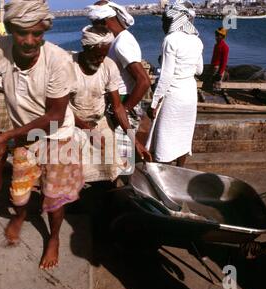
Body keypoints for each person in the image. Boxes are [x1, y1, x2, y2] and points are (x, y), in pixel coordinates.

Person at [0, 0, 84, 269]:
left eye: (37, 33)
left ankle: (53, 237)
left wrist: (8, 135)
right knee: (19, 192)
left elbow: (55, 117)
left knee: (54, 196)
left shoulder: (58, 60)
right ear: (10, 28)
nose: (30, 41)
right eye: (22, 32)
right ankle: (20, 216)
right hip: (24, 133)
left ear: (45, 31)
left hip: (58, 133)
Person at [70, 25, 151, 182]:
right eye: (96, 56)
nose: (100, 60)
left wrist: (135, 142)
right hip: (73, 122)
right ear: (85, 48)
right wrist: (88, 130)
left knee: (112, 167)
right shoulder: (68, 66)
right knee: (72, 172)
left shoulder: (108, 66)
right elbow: (61, 109)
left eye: (104, 55)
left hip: (99, 120)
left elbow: (118, 107)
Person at [87, 1, 151, 170]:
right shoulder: (117, 40)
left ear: (105, 22)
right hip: (118, 106)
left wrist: (125, 109)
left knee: (122, 165)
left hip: (122, 104)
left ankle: (125, 193)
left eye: (95, 25)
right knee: (117, 161)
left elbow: (143, 81)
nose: (95, 30)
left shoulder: (122, 43)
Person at [150, 1, 203, 168]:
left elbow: (166, 76)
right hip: (190, 92)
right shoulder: (196, 40)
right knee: (184, 135)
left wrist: (154, 102)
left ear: (175, 19)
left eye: (165, 20)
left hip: (174, 94)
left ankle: (163, 173)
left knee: (165, 138)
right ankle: (180, 170)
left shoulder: (170, 40)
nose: (162, 24)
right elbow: (200, 70)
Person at [210, 27, 229, 93]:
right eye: (216, 35)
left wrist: (220, 73)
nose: (216, 37)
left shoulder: (225, 47)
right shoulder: (216, 45)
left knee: (217, 86)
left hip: (218, 69)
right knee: (211, 84)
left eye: (218, 35)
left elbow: (224, 62)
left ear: (222, 37)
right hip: (213, 67)